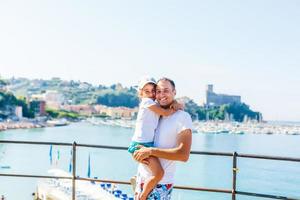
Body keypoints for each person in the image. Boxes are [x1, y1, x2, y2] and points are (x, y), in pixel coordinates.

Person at [133, 77, 193, 200]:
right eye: (158, 91)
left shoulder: (183, 117)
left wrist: (149, 151)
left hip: (161, 184)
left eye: (166, 90)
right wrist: (138, 155)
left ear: (174, 92)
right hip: (142, 179)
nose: (161, 95)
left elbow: (183, 155)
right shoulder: (155, 113)